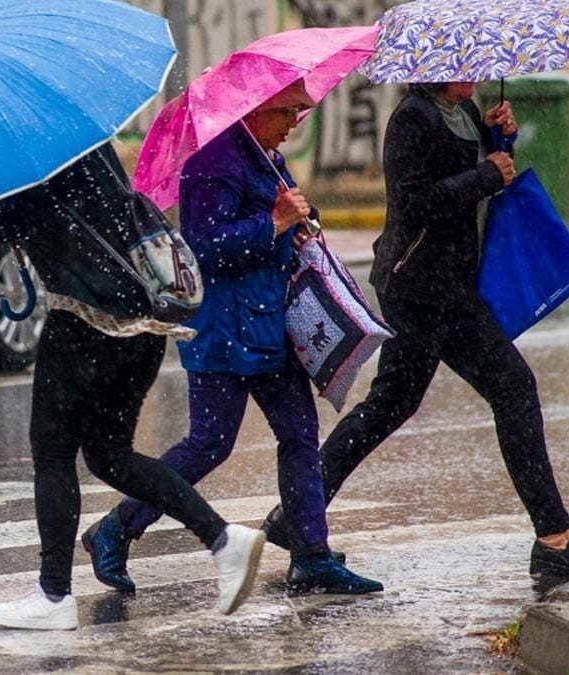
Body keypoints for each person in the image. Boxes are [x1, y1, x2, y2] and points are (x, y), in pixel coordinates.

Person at [260, 82, 569, 580]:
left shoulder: (464, 108)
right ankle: (554, 538)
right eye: (459, 66)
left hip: (442, 281)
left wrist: (500, 141)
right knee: (513, 387)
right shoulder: (412, 118)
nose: (470, 72)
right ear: (432, 70)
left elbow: (486, 175)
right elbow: (418, 202)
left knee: (392, 402)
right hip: (425, 286)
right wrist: (485, 174)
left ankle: (295, 514)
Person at [81, 82, 383, 597]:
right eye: (287, 111)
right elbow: (205, 247)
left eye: (300, 113)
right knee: (210, 444)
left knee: (299, 433)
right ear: (254, 108)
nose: (293, 122)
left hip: (268, 324)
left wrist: (300, 226)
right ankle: (115, 529)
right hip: (223, 329)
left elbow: (280, 221)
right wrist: (274, 222)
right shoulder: (214, 162)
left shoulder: (265, 155)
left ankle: (311, 555)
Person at [0, 144, 266, 631]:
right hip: (141, 321)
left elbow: (6, 226)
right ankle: (224, 539)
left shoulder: (14, 161)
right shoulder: (83, 138)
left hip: (85, 323)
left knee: (52, 455)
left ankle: (53, 595)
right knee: (110, 455)